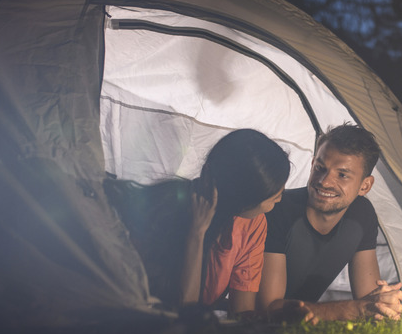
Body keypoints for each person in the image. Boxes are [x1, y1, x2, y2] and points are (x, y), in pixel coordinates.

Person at [104, 129, 290, 316]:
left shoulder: (253, 225)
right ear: (244, 199)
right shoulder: (168, 208)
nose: (280, 199)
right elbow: (183, 309)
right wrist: (197, 233)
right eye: (275, 195)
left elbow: (242, 313)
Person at [257, 124, 402, 322]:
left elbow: (366, 299)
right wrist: (353, 310)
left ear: (365, 185)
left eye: (342, 175)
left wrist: (382, 302)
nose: (324, 182)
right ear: (312, 165)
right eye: (320, 168)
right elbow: (269, 309)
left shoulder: (362, 214)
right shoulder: (277, 211)